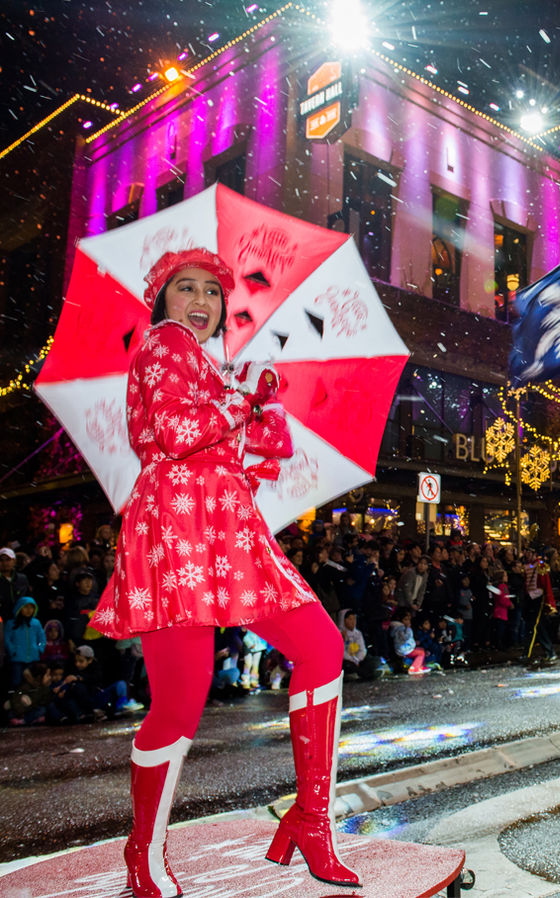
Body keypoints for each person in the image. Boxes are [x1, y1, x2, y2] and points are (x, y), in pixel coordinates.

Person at [90, 248, 358, 896]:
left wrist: (255, 396)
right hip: (178, 532)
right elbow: (180, 433)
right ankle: (142, 849)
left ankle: (310, 820)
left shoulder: (208, 365)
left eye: (213, 292)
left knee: (321, 647)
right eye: (187, 289)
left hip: (230, 532)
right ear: (164, 301)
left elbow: (275, 443)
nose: (203, 302)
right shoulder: (165, 344)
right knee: (181, 701)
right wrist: (243, 402)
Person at [5, 596, 46, 688]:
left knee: (31, 682)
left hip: (33, 657)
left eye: (31, 607)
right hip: (17, 658)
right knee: (16, 682)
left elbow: (42, 638)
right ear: (20, 607)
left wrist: (39, 649)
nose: (29, 610)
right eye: (26, 607)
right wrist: (12, 650)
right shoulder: (11, 623)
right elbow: (7, 639)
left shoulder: (36, 623)